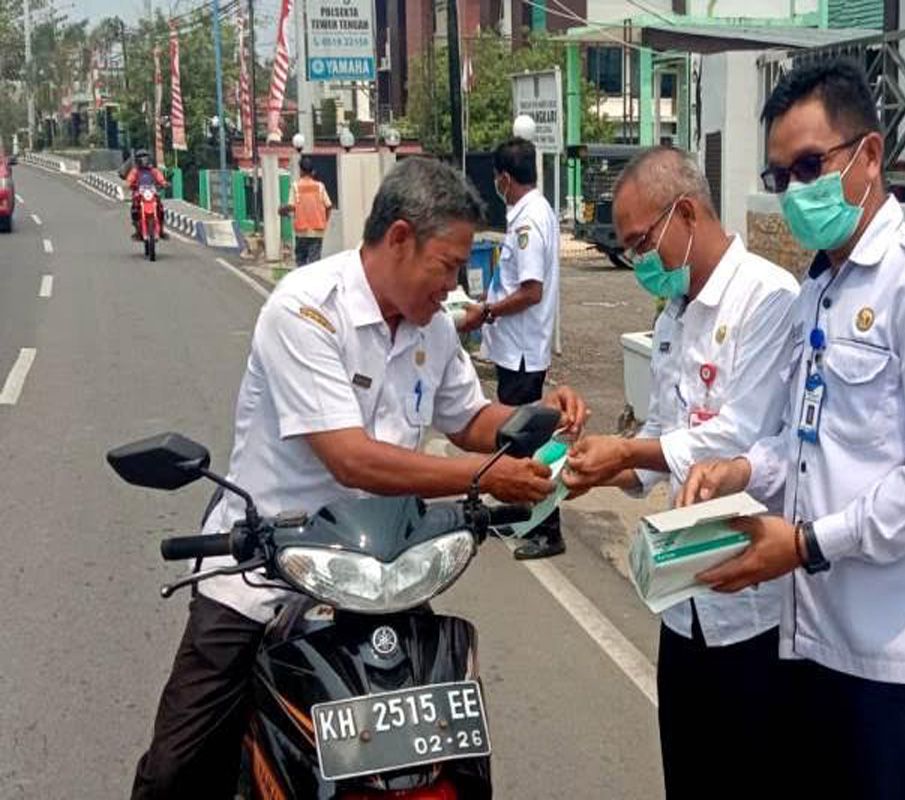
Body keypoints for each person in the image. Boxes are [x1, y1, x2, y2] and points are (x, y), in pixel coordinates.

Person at [130, 157, 589, 800]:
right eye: (449, 265)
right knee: (179, 768)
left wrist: (542, 419)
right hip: (265, 563)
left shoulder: (431, 325)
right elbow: (351, 460)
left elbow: (471, 419)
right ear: (400, 238)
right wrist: (483, 480)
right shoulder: (306, 309)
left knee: (445, 753)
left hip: (379, 568)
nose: (455, 285)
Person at [678, 59, 905, 799]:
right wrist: (743, 471)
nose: (795, 191)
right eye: (778, 176)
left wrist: (804, 544)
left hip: (904, 673)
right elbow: (804, 441)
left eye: (807, 165)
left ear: (870, 155)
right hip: (815, 648)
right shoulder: (816, 293)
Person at [561, 146, 799, 798]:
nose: (638, 260)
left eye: (643, 242)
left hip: (754, 610)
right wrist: (591, 467)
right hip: (683, 600)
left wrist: (630, 453)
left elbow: (738, 437)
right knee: (688, 778)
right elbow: (659, 435)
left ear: (687, 213)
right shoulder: (674, 315)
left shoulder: (768, 299)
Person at [458, 138, 563, 560]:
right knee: (519, 438)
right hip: (520, 346)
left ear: (503, 179)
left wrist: (487, 311)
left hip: (522, 347)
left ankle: (548, 528)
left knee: (526, 442)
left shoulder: (526, 222)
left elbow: (531, 290)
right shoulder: (537, 210)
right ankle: (525, 516)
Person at [280, 155, 333, 266]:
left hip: (301, 232)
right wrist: (325, 221)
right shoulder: (320, 187)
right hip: (317, 231)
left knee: (301, 264)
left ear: (301, 171)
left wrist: (282, 210)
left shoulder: (295, 186)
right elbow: (329, 206)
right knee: (314, 265)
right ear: (312, 171)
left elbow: (291, 206)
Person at [126, 149, 168, 240]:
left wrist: (164, 183)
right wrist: (129, 185)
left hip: (151, 193)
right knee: (134, 208)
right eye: (141, 158)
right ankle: (137, 229)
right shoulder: (135, 171)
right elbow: (129, 180)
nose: (143, 160)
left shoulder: (153, 171)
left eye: (145, 157)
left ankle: (161, 230)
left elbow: (160, 179)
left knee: (160, 208)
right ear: (137, 160)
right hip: (139, 193)